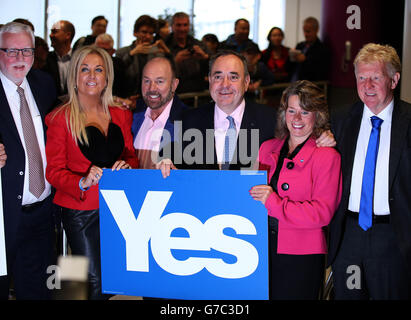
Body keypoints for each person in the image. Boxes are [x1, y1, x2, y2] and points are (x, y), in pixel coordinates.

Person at [45, 46, 139, 300]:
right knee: (91, 281)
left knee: (112, 278)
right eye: (84, 69)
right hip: (80, 212)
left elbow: (130, 155)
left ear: (107, 77)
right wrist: (82, 182)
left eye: (99, 69)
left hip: (118, 208)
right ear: (74, 76)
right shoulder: (59, 118)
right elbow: (52, 171)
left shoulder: (121, 114)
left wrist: (128, 166)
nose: (92, 76)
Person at [157, 50, 335, 175]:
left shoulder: (270, 120)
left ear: (247, 81)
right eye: (218, 76)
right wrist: (165, 160)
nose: (225, 84)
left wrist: (322, 138)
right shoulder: (189, 120)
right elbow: (169, 154)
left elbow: (298, 147)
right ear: (210, 80)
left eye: (234, 77)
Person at [328, 43, 411, 299]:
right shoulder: (340, 120)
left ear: (394, 80)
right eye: (362, 78)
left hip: (394, 239)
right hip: (348, 236)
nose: (367, 85)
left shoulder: (409, 121)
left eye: (376, 77)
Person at [249, 80, 342, 299]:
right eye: (291, 111)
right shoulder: (267, 148)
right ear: (283, 113)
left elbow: (322, 213)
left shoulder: (328, 156)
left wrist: (274, 202)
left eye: (305, 111)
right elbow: (249, 191)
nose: (297, 119)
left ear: (317, 115)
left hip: (301, 255)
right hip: (258, 248)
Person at [0, 22, 57, 300]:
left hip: (44, 212)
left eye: (26, 50)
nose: (20, 58)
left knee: (42, 289)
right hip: (5, 216)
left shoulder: (44, 84)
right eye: (12, 51)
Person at [132, 56, 187, 169]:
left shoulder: (189, 122)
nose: (152, 88)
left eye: (160, 81)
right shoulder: (130, 116)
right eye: (147, 81)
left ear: (174, 84)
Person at [116, 15, 170, 98]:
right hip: (128, 100)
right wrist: (131, 54)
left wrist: (168, 53)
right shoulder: (122, 52)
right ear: (135, 33)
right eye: (144, 32)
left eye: (151, 33)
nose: (148, 36)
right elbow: (117, 76)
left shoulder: (157, 53)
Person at [164, 12, 209, 93]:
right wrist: (175, 61)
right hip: (174, 94)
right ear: (172, 26)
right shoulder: (164, 46)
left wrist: (204, 57)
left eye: (185, 25)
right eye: (178, 25)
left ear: (189, 26)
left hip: (198, 93)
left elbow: (214, 65)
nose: (182, 29)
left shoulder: (198, 44)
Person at [42, 20, 75, 99]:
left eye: (55, 32)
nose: (51, 35)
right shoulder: (45, 59)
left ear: (68, 35)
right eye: (51, 32)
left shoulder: (81, 60)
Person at [290, 17, 329, 82]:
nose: (305, 34)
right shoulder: (300, 45)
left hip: (310, 85)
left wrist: (305, 60)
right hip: (295, 83)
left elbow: (320, 70)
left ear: (316, 30)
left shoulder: (322, 49)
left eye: (308, 31)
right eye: (304, 31)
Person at [95, 33, 128, 98]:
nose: (101, 53)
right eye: (98, 49)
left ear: (113, 51)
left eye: (105, 50)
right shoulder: (86, 64)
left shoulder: (119, 65)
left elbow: (124, 88)